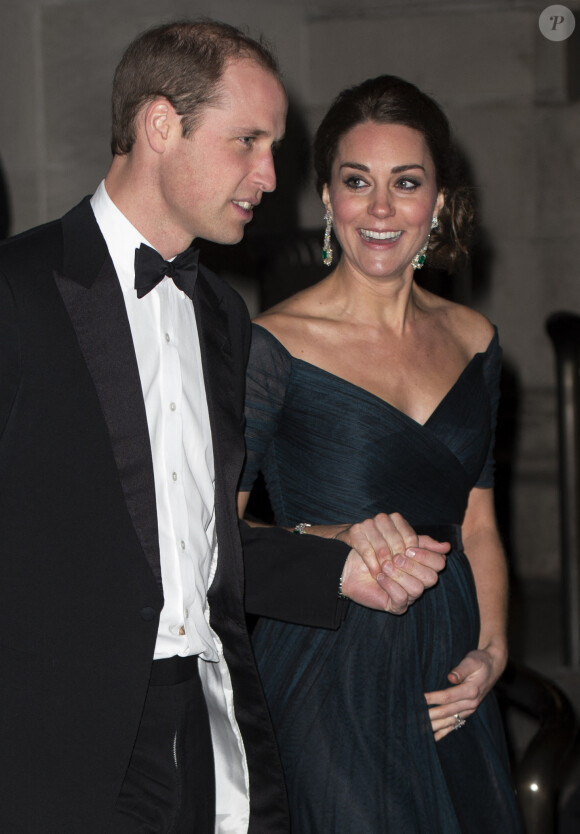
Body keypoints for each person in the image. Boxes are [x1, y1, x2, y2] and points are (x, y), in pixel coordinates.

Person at [0, 24, 451, 834]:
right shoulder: (19, 289)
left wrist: (337, 572)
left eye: (273, 147)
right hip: (59, 744)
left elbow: (196, 538)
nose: (270, 177)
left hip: (207, 723)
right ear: (160, 126)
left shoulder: (222, 317)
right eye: (247, 140)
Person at [238, 74, 523, 832]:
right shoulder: (271, 347)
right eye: (356, 182)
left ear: (439, 200)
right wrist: (329, 542)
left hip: (450, 679)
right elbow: (211, 539)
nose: (382, 209)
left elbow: (482, 524)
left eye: (407, 183)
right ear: (327, 198)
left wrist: (492, 654)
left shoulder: (475, 340)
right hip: (329, 666)